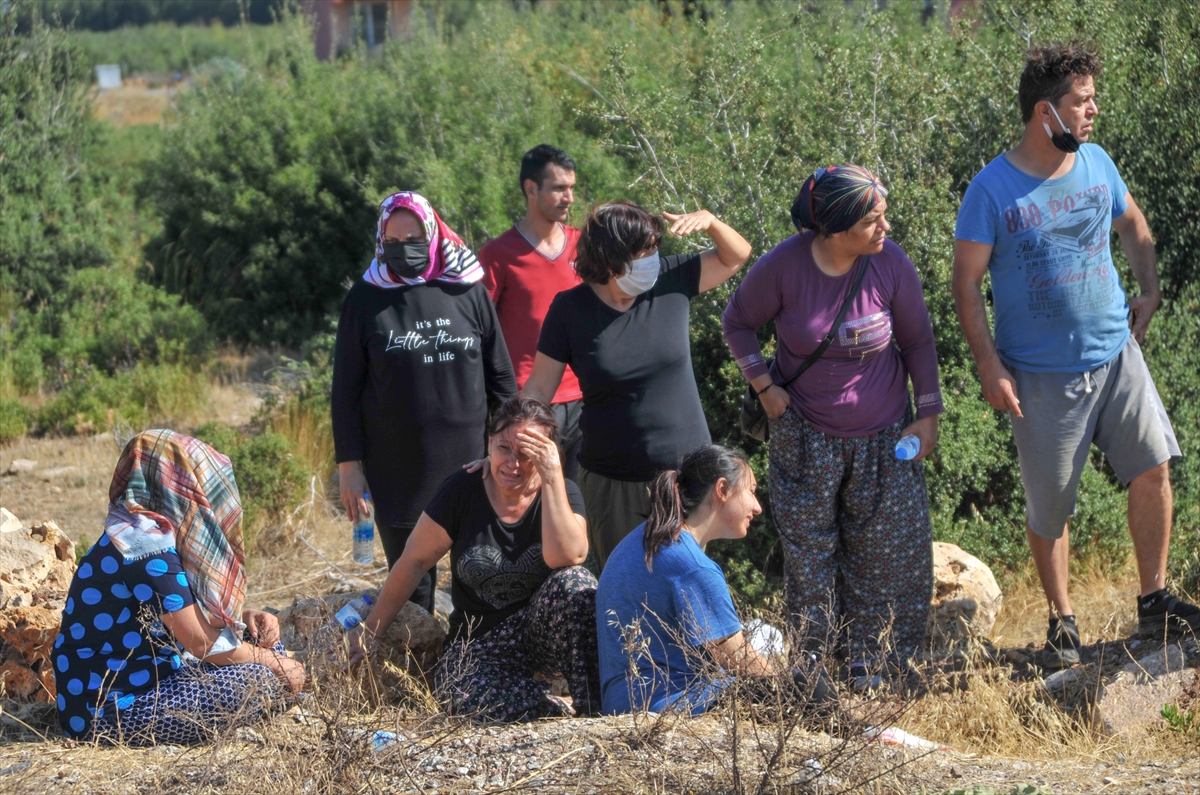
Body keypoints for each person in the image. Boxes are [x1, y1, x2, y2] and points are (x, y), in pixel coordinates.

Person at [952, 44, 1195, 669]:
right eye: (1081, 102)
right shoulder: (991, 189)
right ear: (1045, 113)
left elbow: (1133, 225)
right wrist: (988, 365)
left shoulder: (1096, 163)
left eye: (1092, 99)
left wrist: (1149, 288)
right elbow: (965, 285)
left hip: (1116, 353)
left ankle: (1154, 601)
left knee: (1154, 468)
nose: (1093, 112)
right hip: (1040, 374)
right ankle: (1063, 621)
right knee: (1051, 505)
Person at [722, 164, 943, 683]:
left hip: (886, 437)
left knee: (889, 555)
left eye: (884, 216)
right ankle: (815, 667)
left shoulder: (890, 263)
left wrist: (928, 414)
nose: (885, 229)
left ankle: (877, 665)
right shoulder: (785, 266)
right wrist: (765, 388)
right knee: (811, 557)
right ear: (836, 230)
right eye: (873, 221)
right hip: (806, 438)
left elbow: (918, 341)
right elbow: (737, 322)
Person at [523, 201, 752, 569]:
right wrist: (509, 441)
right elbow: (537, 391)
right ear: (608, 259)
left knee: (683, 584)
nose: (652, 259)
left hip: (686, 478)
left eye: (653, 249)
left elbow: (735, 256)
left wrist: (711, 222)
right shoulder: (570, 311)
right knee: (625, 588)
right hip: (613, 481)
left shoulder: (669, 279)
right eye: (641, 252)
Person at [346, 396, 597, 722]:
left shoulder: (560, 491)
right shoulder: (464, 489)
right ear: (488, 444)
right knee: (460, 696)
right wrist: (372, 630)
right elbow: (414, 561)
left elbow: (569, 555)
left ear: (547, 452)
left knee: (576, 582)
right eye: (504, 448)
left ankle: (594, 709)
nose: (513, 464)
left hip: (539, 636)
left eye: (527, 453)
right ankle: (555, 707)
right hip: (479, 643)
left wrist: (551, 476)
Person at [53, 430, 305, 745]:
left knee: (261, 647)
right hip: (109, 710)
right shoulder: (142, 545)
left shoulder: (145, 532)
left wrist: (244, 616)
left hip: (145, 679)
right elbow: (201, 644)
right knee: (258, 676)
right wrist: (275, 663)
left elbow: (179, 605)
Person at [332, 191, 517, 611]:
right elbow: (345, 392)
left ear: (431, 234)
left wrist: (510, 447)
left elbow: (501, 378)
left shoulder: (466, 290)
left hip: (471, 465)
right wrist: (349, 469)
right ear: (381, 241)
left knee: (481, 574)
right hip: (398, 471)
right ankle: (421, 669)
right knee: (413, 584)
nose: (403, 250)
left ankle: (472, 667)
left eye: (413, 238)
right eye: (393, 242)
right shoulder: (365, 299)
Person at [596, 445, 834, 715]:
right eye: (752, 491)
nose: (757, 507)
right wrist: (790, 683)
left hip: (623, 700)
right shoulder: (691, 564)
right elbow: (739, 660)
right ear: (722, 490)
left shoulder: (646, 537)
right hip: (670, 701)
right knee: (810, 686)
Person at [479, 144, 585, 483]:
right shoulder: (498, 255)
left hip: (586, 401)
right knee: (529, 502)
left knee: (583, 505)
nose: (568, 197)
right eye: (558, 188)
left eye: (571, 188)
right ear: (530, 189)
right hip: (529, 404)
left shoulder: (585, 246)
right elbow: (478, 334)